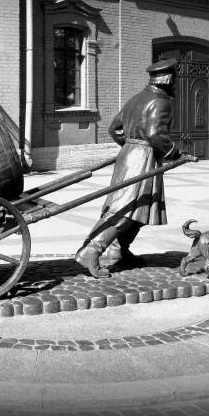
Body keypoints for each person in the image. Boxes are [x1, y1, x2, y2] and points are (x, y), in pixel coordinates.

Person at [75, 58, 181, 278]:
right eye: (175, 78)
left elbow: (114, 129)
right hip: (142, 158)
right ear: (168, 78)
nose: (176, 83)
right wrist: (174, 153)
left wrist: (130, 146)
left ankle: (118, 249)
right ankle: (91, 250)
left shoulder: (136, 99)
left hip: (129, 155)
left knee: (141, 207)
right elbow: (155, 135)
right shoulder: (160, 102)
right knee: (127, 208)